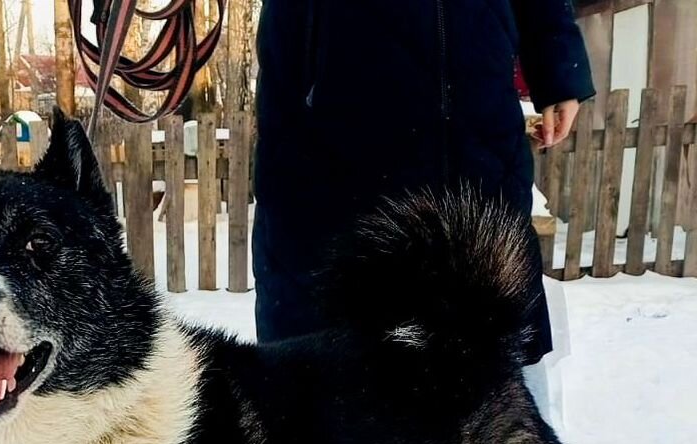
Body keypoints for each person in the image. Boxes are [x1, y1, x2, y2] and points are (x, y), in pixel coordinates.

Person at [252, 0, 594, 388]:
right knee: (321, 365)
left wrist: (557, 62)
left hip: (473, 102)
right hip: (331, 99)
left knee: (493, 371)